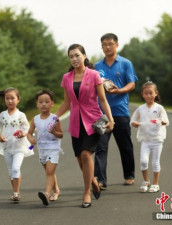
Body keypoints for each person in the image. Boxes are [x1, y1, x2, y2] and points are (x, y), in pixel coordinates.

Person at [55, 44, 114, 208]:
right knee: (80, 159)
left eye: (77, 55)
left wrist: (111, 119)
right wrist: (54, 117)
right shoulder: (66, 77)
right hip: (75, 122)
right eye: (71, 56)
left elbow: (103, 99)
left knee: (86, 154)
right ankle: (93, 181)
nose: (74, 59)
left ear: (84, 56)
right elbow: (66, 102)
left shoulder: (94, 75)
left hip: (93, 121)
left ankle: (86, 192)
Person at [94, 33, 138, 189]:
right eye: (104, 44)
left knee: (125, 146)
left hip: (120, 112)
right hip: (102, 114)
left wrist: (120, 91)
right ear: (101, 46)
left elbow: (132, 84)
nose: (107, 47)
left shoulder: (125, 63)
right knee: (100, 146)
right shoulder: (97, 66)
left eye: (110, 44)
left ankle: (129, 175)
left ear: (117, 45)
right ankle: (100, 180)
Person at [0, 87, 34, 201]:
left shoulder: (21, 115)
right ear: (4, 100)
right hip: (7, 147)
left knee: (15, 168)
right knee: (11, 170)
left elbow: (27, 129)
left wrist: (23, 134)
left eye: (12, 98)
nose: (10, 101)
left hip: (19, 147)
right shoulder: (2, 115)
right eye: (7, 99)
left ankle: (16, 192)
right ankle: (15, 193)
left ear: (18, 99)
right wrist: (0, 137)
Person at [130, 81, 169, 192]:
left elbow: (165, 120)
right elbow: (133, 120)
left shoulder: (160, 108)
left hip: (157, 139)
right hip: (145, 140)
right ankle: (146, 181)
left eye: (150, 93)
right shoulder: (140, 108)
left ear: (155, 93)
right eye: (146, 93)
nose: (148, 95)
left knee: (155, 162)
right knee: (143, 161)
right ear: (142, 94)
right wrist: (134, 123)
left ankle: (155, 183)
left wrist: (162, 122)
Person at [27, 89, 64, 206]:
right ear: (37, 104)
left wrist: (54, 131)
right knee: (49, 172)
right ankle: (56, 190)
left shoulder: (54, 119)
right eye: (41, 102)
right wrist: (30, 139)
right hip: (41, 149)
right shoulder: (35, 119)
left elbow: (61, 135)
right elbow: (29, 133)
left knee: (50, 171)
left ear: (52, 103)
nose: (44, 104)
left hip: (53, 147)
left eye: (47, 101)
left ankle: (47, 194)